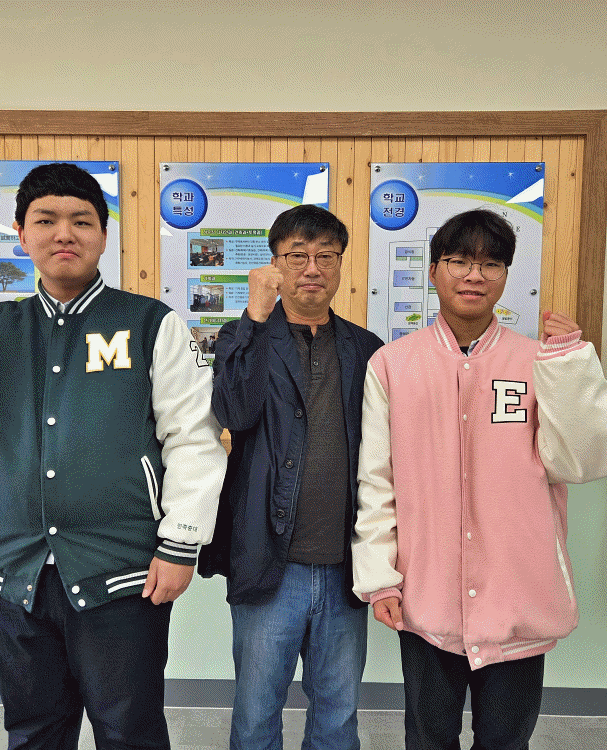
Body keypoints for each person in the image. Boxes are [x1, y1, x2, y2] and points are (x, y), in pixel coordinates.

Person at [0, 163, 227, 750]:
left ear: (103, 235)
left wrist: (182, 542)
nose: (64, 234)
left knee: (129, 731)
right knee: (33, 733)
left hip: (122, 574)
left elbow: (193, 437)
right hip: (10, 573)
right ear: (21, 234)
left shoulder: (149, 325)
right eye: (46, 220)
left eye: (81, 221)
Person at [351, 209, 607, 750]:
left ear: (505, 276)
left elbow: (585, 461)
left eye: (491, 264)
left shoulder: (538, 360)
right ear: (434, 271)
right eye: (459, 261)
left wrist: (569, 368)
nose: (474, 276)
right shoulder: (392, 364)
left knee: (506, 740)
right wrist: (380, 576)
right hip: (428, 595)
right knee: (428, 738)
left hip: (516, 595)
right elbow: (376, 480)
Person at [198, 204, 384, 750]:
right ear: (275, 264)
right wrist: (255, 317)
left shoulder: (366, 349)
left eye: (326, 256)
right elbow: (234, 412)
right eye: (297, 256)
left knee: (338, 715)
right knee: (257, 714)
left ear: (341, 264)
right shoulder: (241, 336)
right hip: (267, 560)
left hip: (344, 562)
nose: (312, 268)